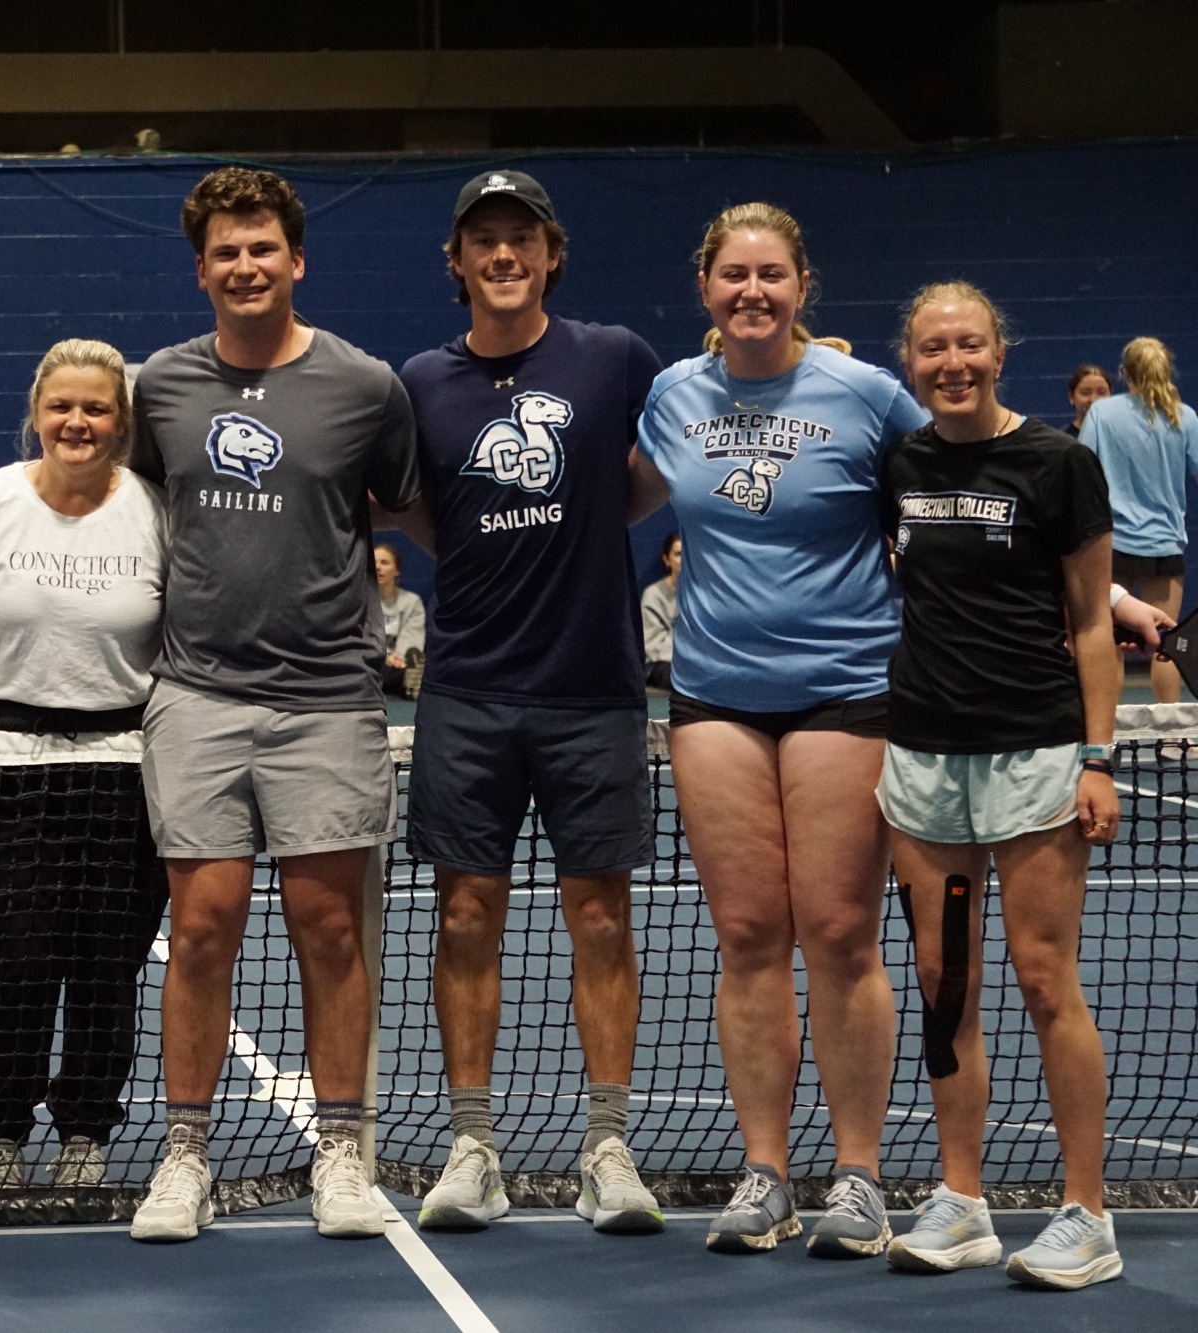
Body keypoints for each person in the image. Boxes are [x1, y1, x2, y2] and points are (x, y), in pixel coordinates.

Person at [125, 167, 421, 1242]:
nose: (244, 266)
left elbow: (405, 502)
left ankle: (341, 1150)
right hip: (196, 694)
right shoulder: (156, 385)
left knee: (328, 926)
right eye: (224, 252)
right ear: (200, 268)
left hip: (328, 700)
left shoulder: (364, 386)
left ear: (296, 260)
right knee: (201, 928)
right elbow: (114, 497)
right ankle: (184, 1156)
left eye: (262, 249)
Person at [628, 202, 929, 1258]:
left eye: (769, 274)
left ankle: (855, 1175)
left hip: (845, 688)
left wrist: (1101, 597)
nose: (749, 291)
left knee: (840, 931)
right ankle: (764, 1175)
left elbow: (965, 492)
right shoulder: (670, 395)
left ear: (801, 285)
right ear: (704, 288)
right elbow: (598, 505)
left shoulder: (865, 395)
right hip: (712, 694)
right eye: (731, 276)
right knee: (748, 933)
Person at [394, 170, 665, 1235]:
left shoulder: (612, 358)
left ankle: (607, 1144)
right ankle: (473, 1145)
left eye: (520, 239)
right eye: (481, 242)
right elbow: (413, 507)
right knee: (464, 915)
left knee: (599, 918)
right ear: (456, 265)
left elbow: (656, 471)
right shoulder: (421, 379)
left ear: (551, 253)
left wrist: (600, 520)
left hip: (593, 688)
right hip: (467, 688)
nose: (501, 255)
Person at [877, 282, 1124, 1289]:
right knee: (945, 988)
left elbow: (1090, 621)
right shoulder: (899, 461)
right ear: (909, 360)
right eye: (931, 348)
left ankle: (1086, 1213)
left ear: (997, 350)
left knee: (1038, 976)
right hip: (924, 760)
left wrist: (1097, 756)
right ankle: (960, 1200)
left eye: (967, 345)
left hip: (1032, 755)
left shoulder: (1059, 462)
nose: (951, 363)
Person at [0, 338, 169, 1189]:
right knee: (18, 957)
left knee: (106, 963)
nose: (77, 422)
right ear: (36, 415)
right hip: (8, 754)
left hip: (128, 760)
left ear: (121, 420)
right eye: (62, 407)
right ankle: (3, 1133)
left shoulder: (159, 509)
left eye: (96, 408)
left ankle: (86, 1128)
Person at [1079, 337, 1198, 704]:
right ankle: (1176, 734)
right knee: (1167, 643)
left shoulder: (1101, 414)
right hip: (1164, 544)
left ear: (1124, 372)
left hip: (1111, 545)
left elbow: (1082, 469)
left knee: (1107, 638)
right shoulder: (1186, 417)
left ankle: (1106, 732)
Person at [374, 543, 425, 696]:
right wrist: (384, 657)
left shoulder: (411, 601)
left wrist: (399, 658)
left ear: (396, 570)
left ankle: (409, 682)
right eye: (374, 562)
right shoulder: (359, 601)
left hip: (400, 664)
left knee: (417, 668)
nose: (377, 567)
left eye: (384, 562)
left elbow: (412, 637)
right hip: (373, 661)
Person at [640, 532, 681, 691]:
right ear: (667, 559)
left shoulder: (702, 594)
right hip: (662, 664)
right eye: (678, 554)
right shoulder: (654, 594)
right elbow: (652, 645)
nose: (683, 560)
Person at [1061, 364, 1112, 437]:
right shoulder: (1062, 442)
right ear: (1071, 397)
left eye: (1101, 393)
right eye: (1085, 393)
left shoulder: (1121, 437)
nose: (1093, 399)